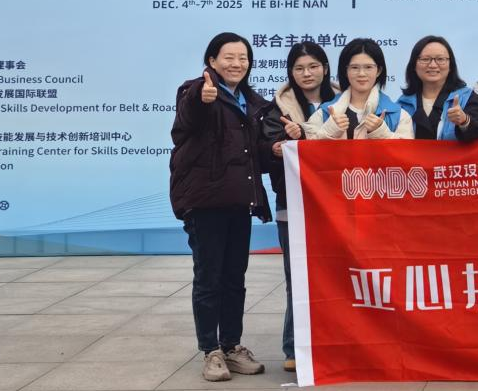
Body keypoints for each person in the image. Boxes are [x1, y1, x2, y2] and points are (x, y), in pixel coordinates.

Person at [169, 32, 271, 382]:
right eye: (229, 57)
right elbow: (190, 115)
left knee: (234, 278)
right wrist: (202, 96)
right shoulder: (196, 91)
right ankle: (210, 350)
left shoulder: (251, 102)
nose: (237, 63)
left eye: (243, 58)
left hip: (238, 203)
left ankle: (231, 345)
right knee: (209, 278)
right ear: (212, 61)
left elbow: (254, 153)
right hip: (205, 203)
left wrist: (277, 147)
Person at [259, 41, 336, 372]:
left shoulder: (346, 101)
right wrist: (278, 148)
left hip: (337, 206)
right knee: (299, 276)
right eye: (299, 68)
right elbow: (264, 152)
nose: (307, 73)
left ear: (325, 68)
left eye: (313, 66)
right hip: (293, 203)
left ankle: (337, 342)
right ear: (291, 72)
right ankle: (294, 347)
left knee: (337, 276)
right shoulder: (277, 109)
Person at [306, 38, 414, 140]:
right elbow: (305, 148)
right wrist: (329, 130)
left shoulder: (398, 115)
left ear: (379, 71)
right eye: (354, 67)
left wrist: (381, 132)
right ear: (345, 71)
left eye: (368, 67)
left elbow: (407, 151)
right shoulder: (324, 112)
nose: (361, 74)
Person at [396, 35, 478, 140]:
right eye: (425, 59)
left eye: (440, 59)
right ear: (414, 65)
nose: (433, 65)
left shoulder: (467, 97)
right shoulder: (402, 104)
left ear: (450, 65)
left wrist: (465, 121)